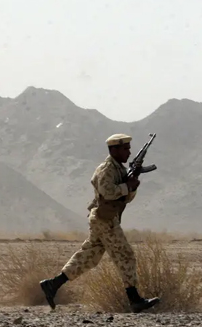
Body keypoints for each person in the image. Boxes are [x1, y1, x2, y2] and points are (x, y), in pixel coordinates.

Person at [40, 133, 160, 313]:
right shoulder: (106, 170)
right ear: (114, 149)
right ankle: (134, 299)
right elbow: (108, 192)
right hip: (104, 219)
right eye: (125, 148)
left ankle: (53, 284)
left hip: (105, 218)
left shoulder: (118, 169)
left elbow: (125, 199)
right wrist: (127, 186)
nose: (129, 152)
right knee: (125, 255)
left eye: (129, 148)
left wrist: (132, 185)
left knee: (88, 256)